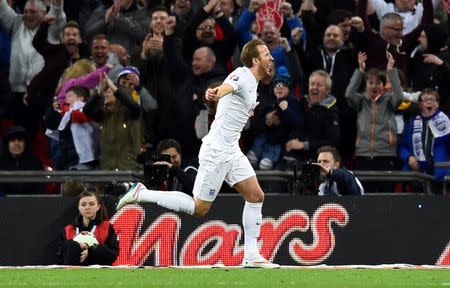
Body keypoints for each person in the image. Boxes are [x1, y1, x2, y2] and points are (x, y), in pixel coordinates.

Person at [117, 39, 279, 268]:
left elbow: (233, 103)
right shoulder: (242, 75)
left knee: (255, 197)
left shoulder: (254, 84)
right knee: (199, 208)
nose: (270, 57)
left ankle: (251, 255)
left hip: (231, 150)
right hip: (216, 151)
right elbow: (226, 88)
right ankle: (142, 193)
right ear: (255, 60)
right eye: (266, 53)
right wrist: (215, 92)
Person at [398, 89, 450, 192]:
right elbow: (403, 146)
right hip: (417, 173)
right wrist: (409, 157)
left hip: (439, 173)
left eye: (432, 99)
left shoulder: (447, 122)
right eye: (425, 99)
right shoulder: (412, 123)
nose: (429, 102)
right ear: (420, 104)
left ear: (437, 104)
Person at [57, 190, 119, 265]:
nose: (87, 207)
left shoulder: (107, 227)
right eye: (83, 204)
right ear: (78, 207)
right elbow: (60, 256)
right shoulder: (68, 230)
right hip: (73, 270)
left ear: (98, 207)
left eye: (92, 204)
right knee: (72, 245)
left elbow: (113, 254)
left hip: (98, 271)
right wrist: (76, 248)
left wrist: (90, 249)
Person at [0, 125, 44, 195]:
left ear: (25, 143)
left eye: (20, 140)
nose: (16, 143)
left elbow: (40, 191)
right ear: (7, 144)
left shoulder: (36, 163)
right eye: (12, 140)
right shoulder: (1, 164)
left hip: (30, 204)